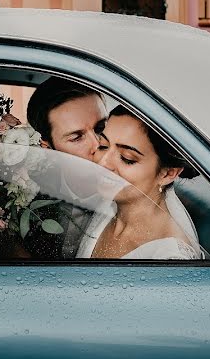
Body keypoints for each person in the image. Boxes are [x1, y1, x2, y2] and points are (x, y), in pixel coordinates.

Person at [76, 105, 201, 260]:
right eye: (103, 146)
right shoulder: (111, 202)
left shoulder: (169, 260)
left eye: (127, 158)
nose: (103, 163)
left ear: (168, 173)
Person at [24, 76, 109, 258]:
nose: (97, 145)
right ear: (48, 147)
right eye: (77, 137)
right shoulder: (27, 196)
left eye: (101, 127)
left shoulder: (140, 187)